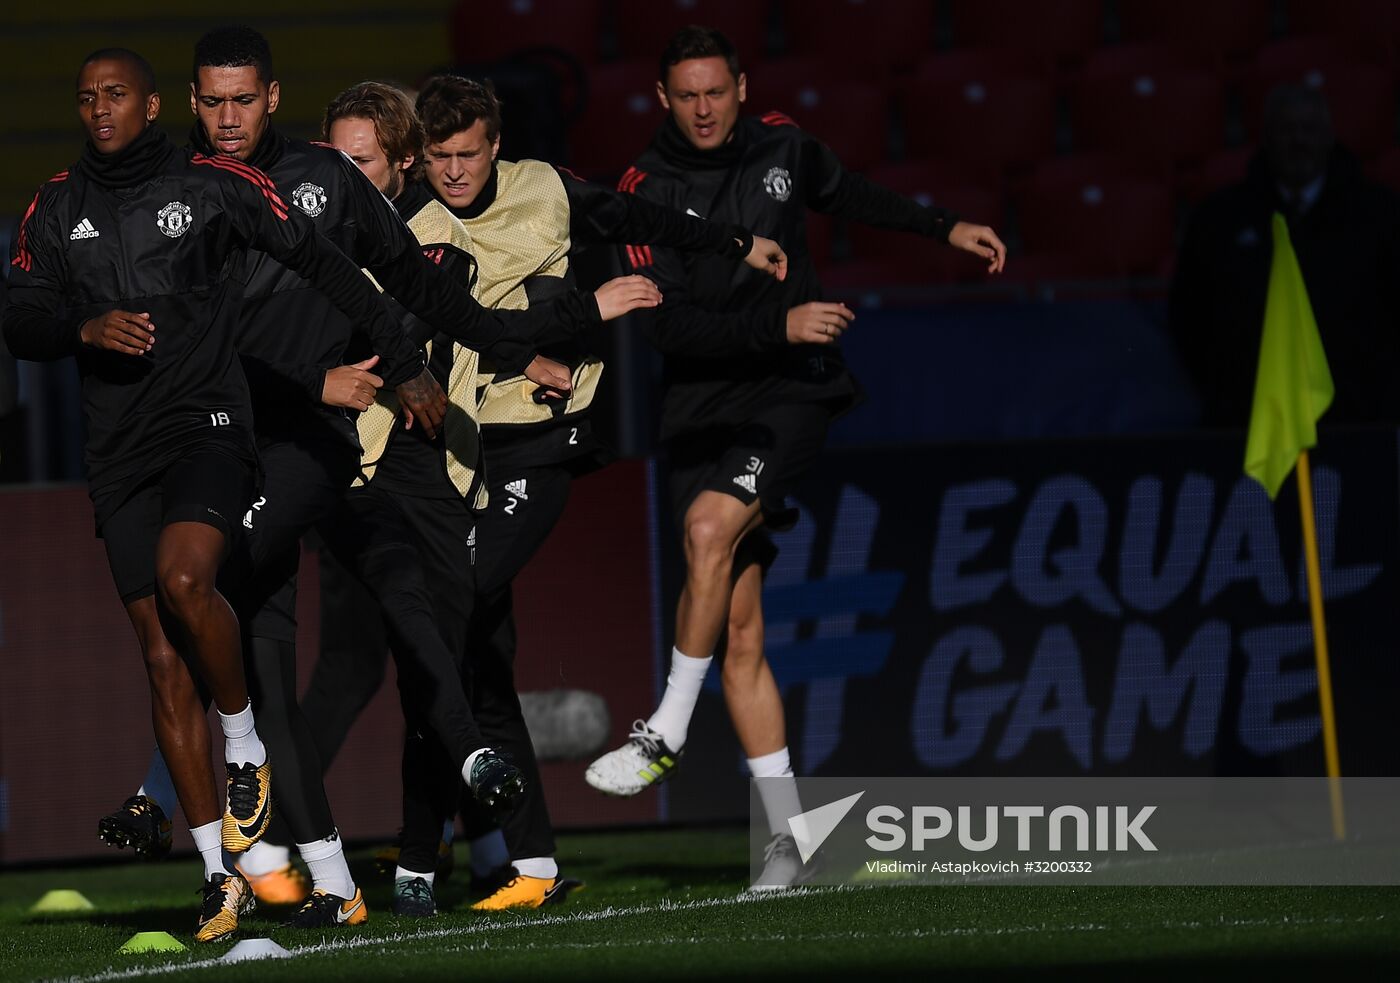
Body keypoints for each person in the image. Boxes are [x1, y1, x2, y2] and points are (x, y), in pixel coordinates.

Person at [94, 25, 574, 927]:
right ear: (191, 103)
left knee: (221, 586)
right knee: (268, 660)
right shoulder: (169, 196)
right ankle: (334, 884)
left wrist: (490, 350)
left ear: (273, 98)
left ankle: (178, 793)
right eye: (213, 102)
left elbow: (408, 285)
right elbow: (184, 343)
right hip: (214, 442)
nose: (228, 118)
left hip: (310, 447)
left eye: (244, 100)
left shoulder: (322, 179)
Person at [3, 48, 431, 942]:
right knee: (163, 660)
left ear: (155, 103)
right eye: (85, 98)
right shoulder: (55, 205)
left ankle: (244, 748)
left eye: (116, 94)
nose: (100, 109)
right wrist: (83, 325)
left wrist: (405, 356)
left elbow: (324, 263)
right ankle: (217, 876)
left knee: (188, 578)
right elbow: (21, 316)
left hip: (208, 426)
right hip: (118, 451)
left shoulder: (213, 184)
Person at [585, 26, 1005, 890]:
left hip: (791, 390)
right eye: (686, 95)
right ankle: (790, 840)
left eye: (716, 90)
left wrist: (946, 225)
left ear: (742, 86)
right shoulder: (642, 190)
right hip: (700, 407)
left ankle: (664, 731)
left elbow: (853, 195)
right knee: (738, 631)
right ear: (662, 99)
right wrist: (775, 320)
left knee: (709, 530)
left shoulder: (785, 146)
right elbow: (667, 328)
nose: (704, 108)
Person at [408, 71, 788, 911]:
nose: (455, 172)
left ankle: (419, 855)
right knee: (479, 655)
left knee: (445, 615)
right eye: (438, 157)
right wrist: (582, 312)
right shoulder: (415, 227)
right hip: (462, 452)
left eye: (468, 154)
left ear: (496, 145)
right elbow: (467, 331)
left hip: (541, 445)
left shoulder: (544, 189)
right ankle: (528, 864)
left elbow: (637, 217)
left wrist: (732, 241)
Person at [1170, 83, 1400, 429]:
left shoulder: (1380, 215)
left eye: (1309, 129)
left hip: (1357, 421)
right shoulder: (1219, 218)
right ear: (1266, 137)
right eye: (1287, 129)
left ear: (1329, 137)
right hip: (1248, 421)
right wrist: (1229, 386)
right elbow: (1190, 315)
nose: (1299, 140)